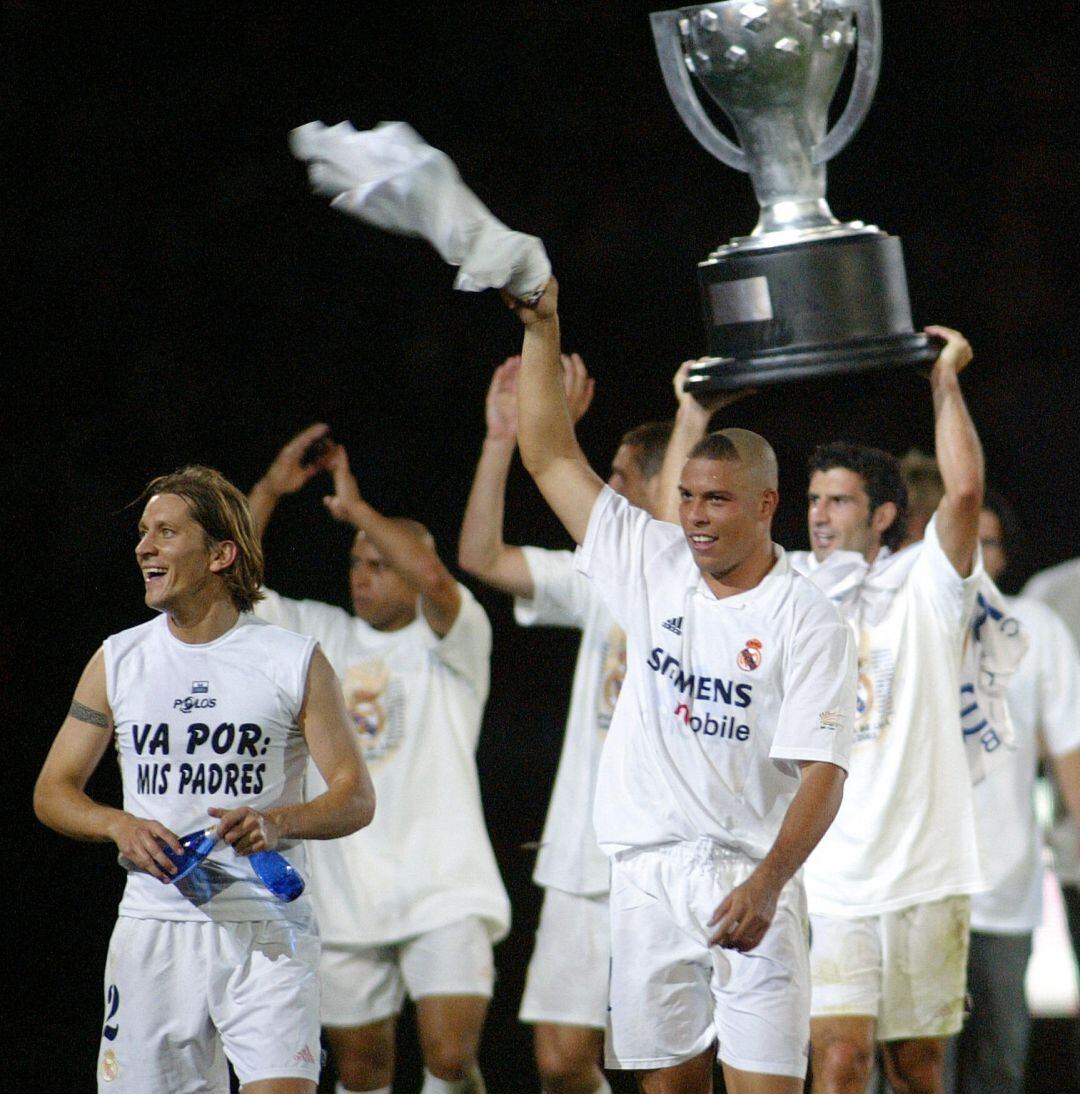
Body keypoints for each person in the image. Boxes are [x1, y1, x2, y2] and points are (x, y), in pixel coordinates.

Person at [502, 276, 856, 1093]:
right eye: (688, 497)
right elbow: (549, 455)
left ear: (768, 504)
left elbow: (825, 776)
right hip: (648, 876)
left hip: (750, 877)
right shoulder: (653, 564)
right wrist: (545, 326)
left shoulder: (808, 618)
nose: (694, 516)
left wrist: (769, 883)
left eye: (717, 501)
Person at [33, 465, 375, 1094]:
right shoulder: (118, 659)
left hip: (265, 929)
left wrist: (278, 821)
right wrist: (118, 823)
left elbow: (355, 796)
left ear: (221, 553)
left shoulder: (291, 659)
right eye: (143, 532)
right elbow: (53, 790)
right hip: (154, 931)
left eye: (165, 532)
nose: (143, 548)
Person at [248, 426, 510, 1094]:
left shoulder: (454, 638)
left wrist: (357, 509)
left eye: (378, 563)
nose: (361, 575)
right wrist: (272, 489)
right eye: (356, 563)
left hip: (444, 887)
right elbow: (233, 586)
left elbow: (433, 576)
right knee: (362, 1072)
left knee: (450, 1059)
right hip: (347, 893)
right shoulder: (323, 637)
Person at [458, 351, 687, 1094]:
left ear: (662, 480)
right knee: (560, 1062)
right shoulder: (601, 577)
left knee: (667, 1070)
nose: (607, 489)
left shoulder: (713, 583)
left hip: (670, 858)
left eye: (621, 475)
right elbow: (481, 556)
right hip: (583, 853)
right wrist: (501, 440)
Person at [788, 326, 986, 1094]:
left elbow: (964, 491)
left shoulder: (925, 584)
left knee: (918, 1068)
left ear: (883, 517)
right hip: (831, 873)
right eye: (812, 500)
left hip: (925, 869)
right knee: (837, 1061)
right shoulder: (792, 587)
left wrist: (943, 381)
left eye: (839, 500)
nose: (820, 515)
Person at [941, 490, 1080, 1093]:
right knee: (920, 1069)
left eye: (989, 541)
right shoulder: (905, 620)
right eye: (965, 537)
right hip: (923, 888)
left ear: (1005, 554)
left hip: (1006, 891)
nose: (975, 552)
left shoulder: (1037, 626)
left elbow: (1069, 747)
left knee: (1000, 1065)